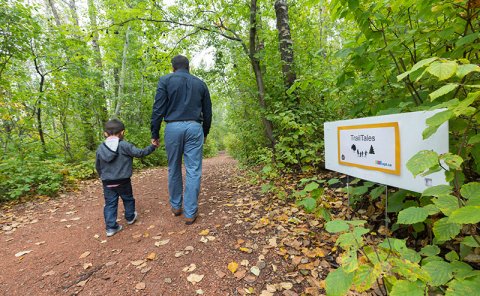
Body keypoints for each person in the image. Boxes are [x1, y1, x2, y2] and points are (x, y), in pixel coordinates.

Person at [151, 55, 212, 225]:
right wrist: (204, 132)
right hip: (194, 127)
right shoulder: (200, 84)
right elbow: (208, 113)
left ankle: (176, 206)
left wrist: (154, 133)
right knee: (193, 169)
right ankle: (190, 212)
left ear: (173, 68)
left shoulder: (165, 81)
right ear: (189, 67)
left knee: (173, 167)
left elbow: (158, 109)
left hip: (173, 127)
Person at [96, 119, 157, 236]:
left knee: (110, 203)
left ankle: (111, 228)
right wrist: (152, 147)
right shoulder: (124, 145)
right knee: (128, 198)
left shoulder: (100, 148)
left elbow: (98, 165)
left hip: (107, 182)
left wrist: (102, 176)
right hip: (123, 180)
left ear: (105, 133)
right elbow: (140, 153)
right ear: (122, 132)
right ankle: (130, 217)